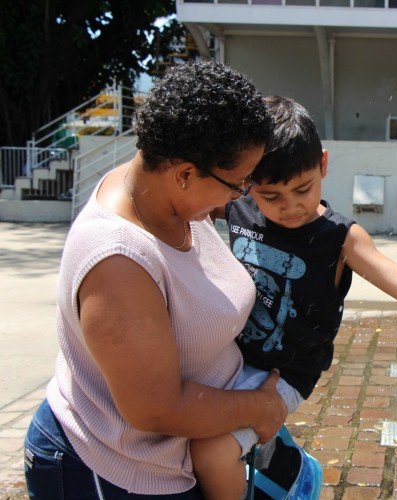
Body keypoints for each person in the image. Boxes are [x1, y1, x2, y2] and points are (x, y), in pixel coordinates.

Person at [193, 95, 397, 498]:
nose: (290, 207)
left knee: (209, 452)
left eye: (303, 189)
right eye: (271, 196)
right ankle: (277, 458)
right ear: (245, 183)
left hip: (285, 373)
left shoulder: (339, 239)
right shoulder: (238, 208)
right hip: (232, 355)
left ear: (324, 165)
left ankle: (288, 472)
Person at [23, 61, 289, 498]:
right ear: (184, 174)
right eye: (239, 183)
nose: (240, 197)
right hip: (112, 470)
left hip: (171, 461)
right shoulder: (118, 262)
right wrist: (257, 407)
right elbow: (156, 407)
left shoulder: (163, 196)